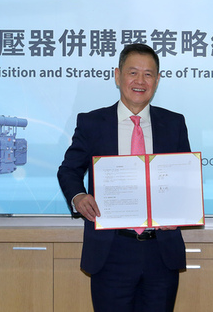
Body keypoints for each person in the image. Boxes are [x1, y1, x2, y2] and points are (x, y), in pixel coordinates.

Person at [57, 43, 191, 312]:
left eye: (148, 74)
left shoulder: (173, 123)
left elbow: (184, 179)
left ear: (157, 80)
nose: (140, 81)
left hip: (160, 250)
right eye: (133, 73)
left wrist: (177, 212)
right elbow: (69, 170)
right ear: (118, 76)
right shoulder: (92, 123)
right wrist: (79, 196)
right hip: (111, 250)